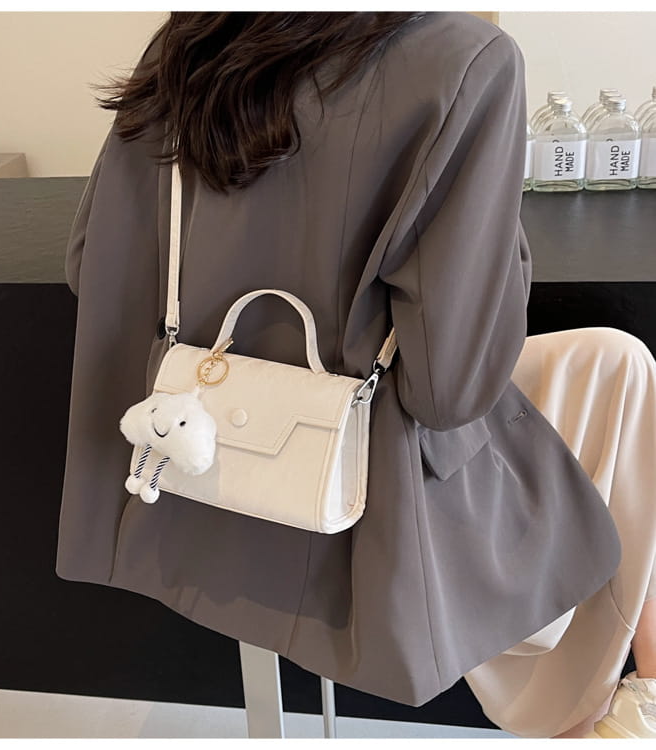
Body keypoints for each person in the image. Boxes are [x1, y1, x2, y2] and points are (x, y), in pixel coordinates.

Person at [55, 11, 656, 738]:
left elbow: (90, 264)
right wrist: (503, 252)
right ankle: (617, 701)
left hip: (187, 469)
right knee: (618, 380)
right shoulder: (468, 59)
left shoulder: (191, 40)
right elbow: (450, 389)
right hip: (351, 503)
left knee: (611, 372)